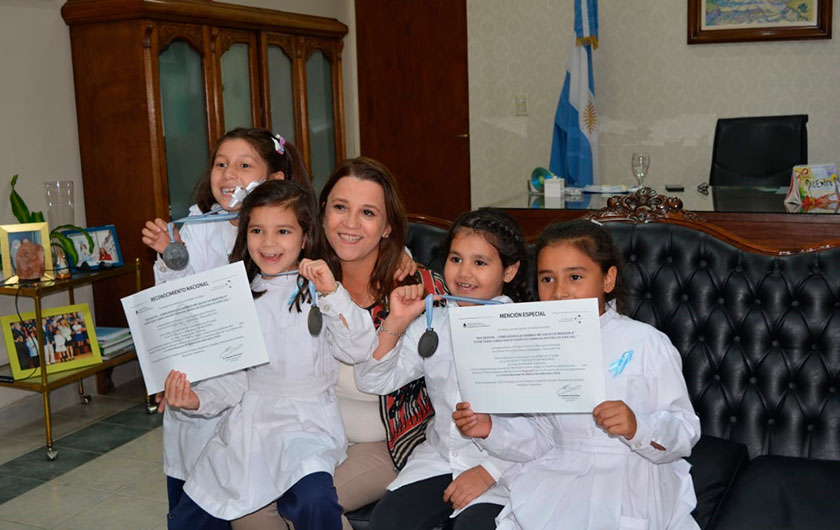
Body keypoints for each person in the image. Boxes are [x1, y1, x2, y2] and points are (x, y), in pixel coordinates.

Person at [453, 219, 701, 530]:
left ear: (608, 279)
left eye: (575, 277)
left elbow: (685, 431)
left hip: (631, 481)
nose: (560, 292)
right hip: (559, 477)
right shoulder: (539, 343)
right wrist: (492, 428)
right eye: (547, 279)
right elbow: (543, 437)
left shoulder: (646, 343)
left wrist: (637, 426)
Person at [234, 156, 440, 530]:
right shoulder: (301, 273)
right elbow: (252, 237)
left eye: (367, 213)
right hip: (308, 435)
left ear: (387, 226)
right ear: (322, 213)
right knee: (245, 510)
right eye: (340, 207)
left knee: (301, 506)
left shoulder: (414, 290)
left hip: (384, 444)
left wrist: (404, 257)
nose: (350, 223)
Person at [160, 179, 372, 530]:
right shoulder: (238, 295)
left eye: (283, 231)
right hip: (248, 429)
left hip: (306, 428)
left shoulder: (322, 292)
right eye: (257, 230)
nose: (269, 243)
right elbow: (233, 380)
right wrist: (198, 399)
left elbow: (359, 347)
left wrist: (332, 293)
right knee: (192, 514)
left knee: (314, 499)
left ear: (305, 236)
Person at [141, 127, 309, 526]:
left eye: (244, 165)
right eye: (221, 164)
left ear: (275, 180)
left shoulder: (289, 236)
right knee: (190, 499)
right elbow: (176, 307)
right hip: (196, 388)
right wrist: (170, 254)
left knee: (239, 500)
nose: (229, 174)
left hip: (254, 399)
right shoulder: (197, 226)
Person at [345, 208, 532, 530]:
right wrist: (397, 321)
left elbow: (546, 428)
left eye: (480, 263)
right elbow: (373, 380)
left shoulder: (530, 331)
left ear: (510, 270)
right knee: (388, 522)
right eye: (456, 259)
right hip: (440, 459)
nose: (464, 273)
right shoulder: (433, 323)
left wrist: (489, 472)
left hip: (509, 467)